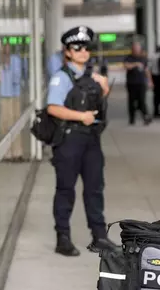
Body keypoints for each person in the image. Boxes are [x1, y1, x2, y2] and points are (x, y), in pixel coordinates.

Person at [46, 26, 118, 256]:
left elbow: (94, 105)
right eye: (77, 48)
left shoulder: (91, 76)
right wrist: (81, 117)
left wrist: (104, 89)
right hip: (69, 141)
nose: (83, 52)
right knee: (66, 189)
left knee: (95, 188)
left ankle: (99, 236)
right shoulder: (61, 78)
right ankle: (63, 237)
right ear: (67, 52)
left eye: (86, 47)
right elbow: (53, 108)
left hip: (91, 140)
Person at [123, 41, 153, 125]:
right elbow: (126, 66)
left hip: (141, 83)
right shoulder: (129, 58)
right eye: (134, 48)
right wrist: (135, 64)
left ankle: (146, 116)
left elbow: (147, 71)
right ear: (132, 49)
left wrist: (150, 81)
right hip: (131, 83)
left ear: (140, 49)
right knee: (131, 101)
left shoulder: (143, 58)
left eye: (137, 48)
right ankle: (132, 119)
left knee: (142, 101)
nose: (136, 50)